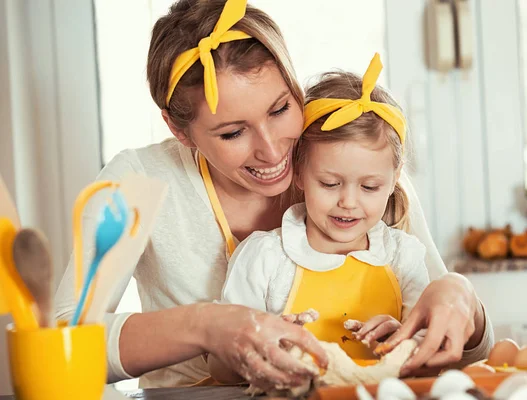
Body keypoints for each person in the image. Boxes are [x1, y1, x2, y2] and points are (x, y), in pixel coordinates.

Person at [55, 0, 492, 390]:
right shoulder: (137, 182)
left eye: (281, 108)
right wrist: (206, 326)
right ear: (178, 129)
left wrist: (461, 299)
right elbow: (60, 343)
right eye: (232, 132)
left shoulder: (358, 172)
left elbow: (469, 354)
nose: (273, 148)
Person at [208, 54, 491, 384]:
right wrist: (266, 343)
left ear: (395, 178)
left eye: (370, 186)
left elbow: (433, 354)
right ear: (298, 172)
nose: (348, 202)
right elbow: (220, 369)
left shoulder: (404, 257)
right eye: (329, 183)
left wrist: (404, 337)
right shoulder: (264, 258)